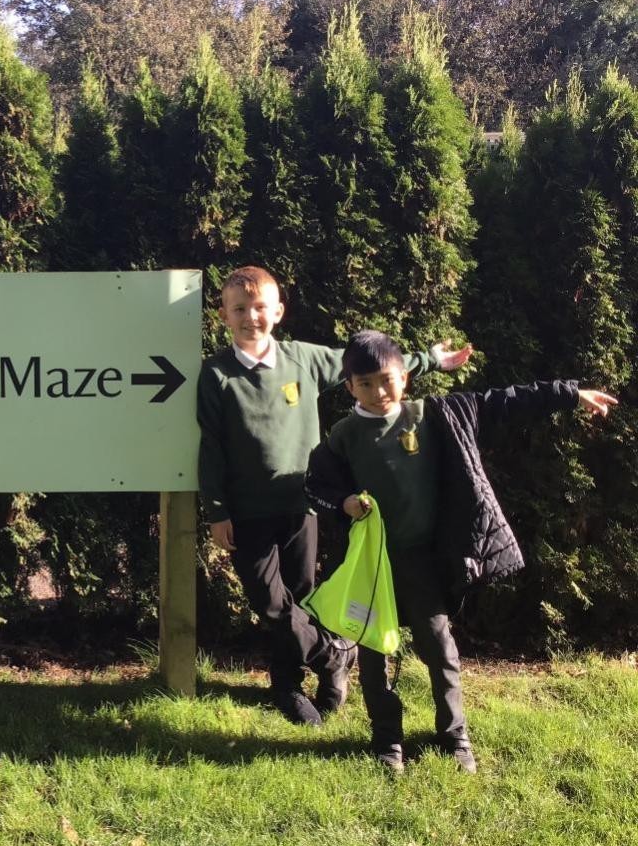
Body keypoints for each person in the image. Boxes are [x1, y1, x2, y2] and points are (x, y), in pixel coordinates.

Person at [304, 329, 615, 772]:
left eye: (387, 380)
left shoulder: (433, 416)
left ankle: (454, 737)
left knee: (440, 650)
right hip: (374, 568)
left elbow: (502, 401)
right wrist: (344, 502)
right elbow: (315, 486)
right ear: (350, 386)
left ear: (405, 377)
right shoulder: (344, 435)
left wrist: (569, 394)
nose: (378, 392)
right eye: (365, 383)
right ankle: (387, 740)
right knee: (374, 657)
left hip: (423, 564)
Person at [197, 266, 473, 726]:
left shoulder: (302, 359)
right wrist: (217, 510)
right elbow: (211, 445)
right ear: (223, 315)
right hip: (247, 511)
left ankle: (290, 686)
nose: (251, 317)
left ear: (278, 312)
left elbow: (370, 367)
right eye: (239, 309)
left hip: (300, 505)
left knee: (302, 598)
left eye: (260, 307)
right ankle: (332, 657)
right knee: (270, 603)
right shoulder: (216, 374)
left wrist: (428, 359)